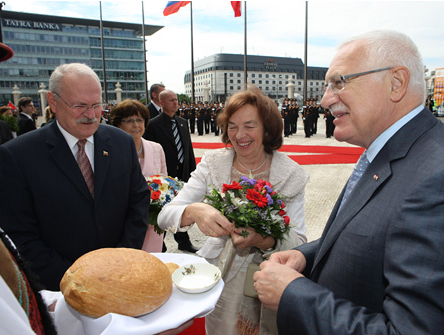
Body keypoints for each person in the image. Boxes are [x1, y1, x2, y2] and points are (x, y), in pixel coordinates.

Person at [253, 30, 444, 334]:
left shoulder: (436, 178)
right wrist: (306, 255)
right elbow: (370, 238)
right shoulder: (388, 151)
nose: (326, 99)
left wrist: (294, 294)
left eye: (339, 82)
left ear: (396, 83)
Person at [158, 86, 309, 334]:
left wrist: (264, 239)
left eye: (250, 126)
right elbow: (166, 215)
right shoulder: (213, 164)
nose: (240, 135)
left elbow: (299, 241)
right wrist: (195, 210)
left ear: (268, 129)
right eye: (232, 126)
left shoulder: (291, 175)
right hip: (220, 278)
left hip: (269, 281)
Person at [0, 63, 150, 291]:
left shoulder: (122, 142)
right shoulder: (17, 155)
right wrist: (75, 280)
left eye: (96, 105)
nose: (90, 115)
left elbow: (138, 200)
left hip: (121, 275)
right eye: (79, 105)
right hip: (60, 288)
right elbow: (20, 233)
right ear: (53, 102)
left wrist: (121, 259)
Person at [145, 90, 198, 254]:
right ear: (162, 103)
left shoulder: (182, 122)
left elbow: (187, 148)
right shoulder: (153, 124)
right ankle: (160, 244)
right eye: (171, 100)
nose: (176, 103)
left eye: (176, 100)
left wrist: (192, 171)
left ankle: (183, 240)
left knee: (181, 207)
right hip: (165, 175)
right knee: (162, 208)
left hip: (182, 172)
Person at [110, 98, 167, 252]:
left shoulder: (156, 148)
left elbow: (165, 181)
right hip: (124, 223)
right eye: (129, 120)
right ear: (118, 124)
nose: (136, 125)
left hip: (152, 222)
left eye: (139, 120)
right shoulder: (110, 152)